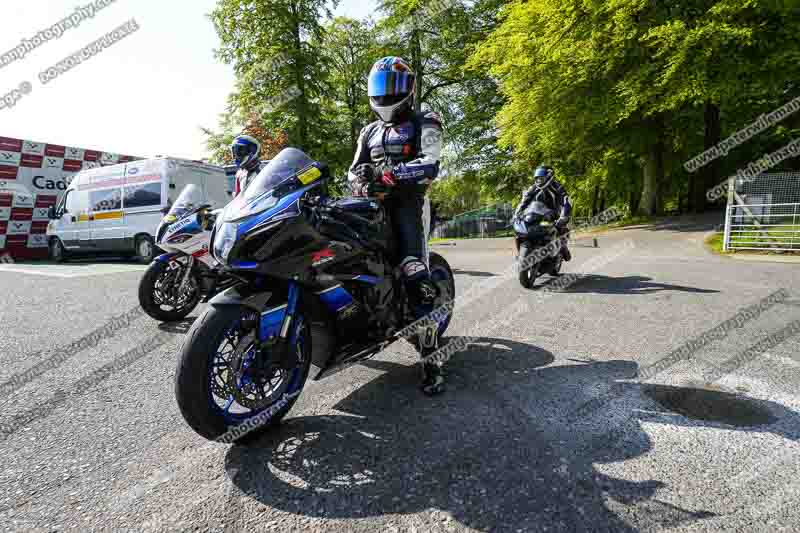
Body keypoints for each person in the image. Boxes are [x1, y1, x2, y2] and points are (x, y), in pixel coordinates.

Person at [348, 56, 446, 396]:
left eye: (392, 86)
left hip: (409, 204)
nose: (385, 94)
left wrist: (389, 175)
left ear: (409, 89)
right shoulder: (368, 131)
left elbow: (430, 164)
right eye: (380, 86)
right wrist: (361, 182)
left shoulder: (427, 119)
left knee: (414, 271)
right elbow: (353, 170)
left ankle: (432, 361)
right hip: (371, 206)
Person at [513, 165, 573, 262]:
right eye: (537, 179)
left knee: (562, 229)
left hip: (554, 215)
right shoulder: (533, 188)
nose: (538, 181)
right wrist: (516, 214)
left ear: (549, 177)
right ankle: (520, 254)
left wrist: (563, 217)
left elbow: (567, 202)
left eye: (541, 178)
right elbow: (524, 201)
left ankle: (563, 249)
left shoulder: (557, 187)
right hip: (536, 215)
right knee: (520, 232)